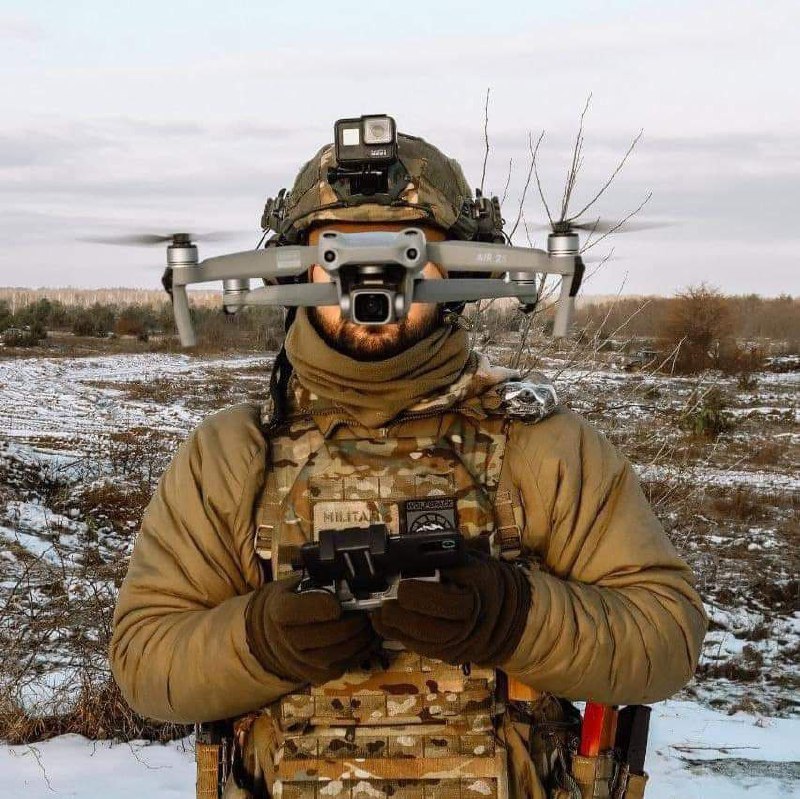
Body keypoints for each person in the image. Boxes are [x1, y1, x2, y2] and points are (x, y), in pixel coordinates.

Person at [109, 124, 707, 799]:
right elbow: (145, 659)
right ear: (296, 268)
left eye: (407, 250)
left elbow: (665, 635)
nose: (372, 281)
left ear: (460, 267)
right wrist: (260, 640)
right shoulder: (231, 456)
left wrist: (513, 617)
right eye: (338, 252)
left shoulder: (544, 448)